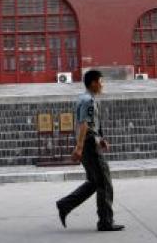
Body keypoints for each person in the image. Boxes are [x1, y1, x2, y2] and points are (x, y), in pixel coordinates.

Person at [55, 69, 125, 232]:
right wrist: (79, 148)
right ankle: (105, 222)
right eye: (101, 81)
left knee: (95, 182)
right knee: (105, 183)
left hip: (89, 143)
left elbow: (88, 124)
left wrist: (100, 139)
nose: (102, 84)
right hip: (89, 145)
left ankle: (65, 204)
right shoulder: (89, 101)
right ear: (93, 82)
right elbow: (84, 124)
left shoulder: (83, 98)